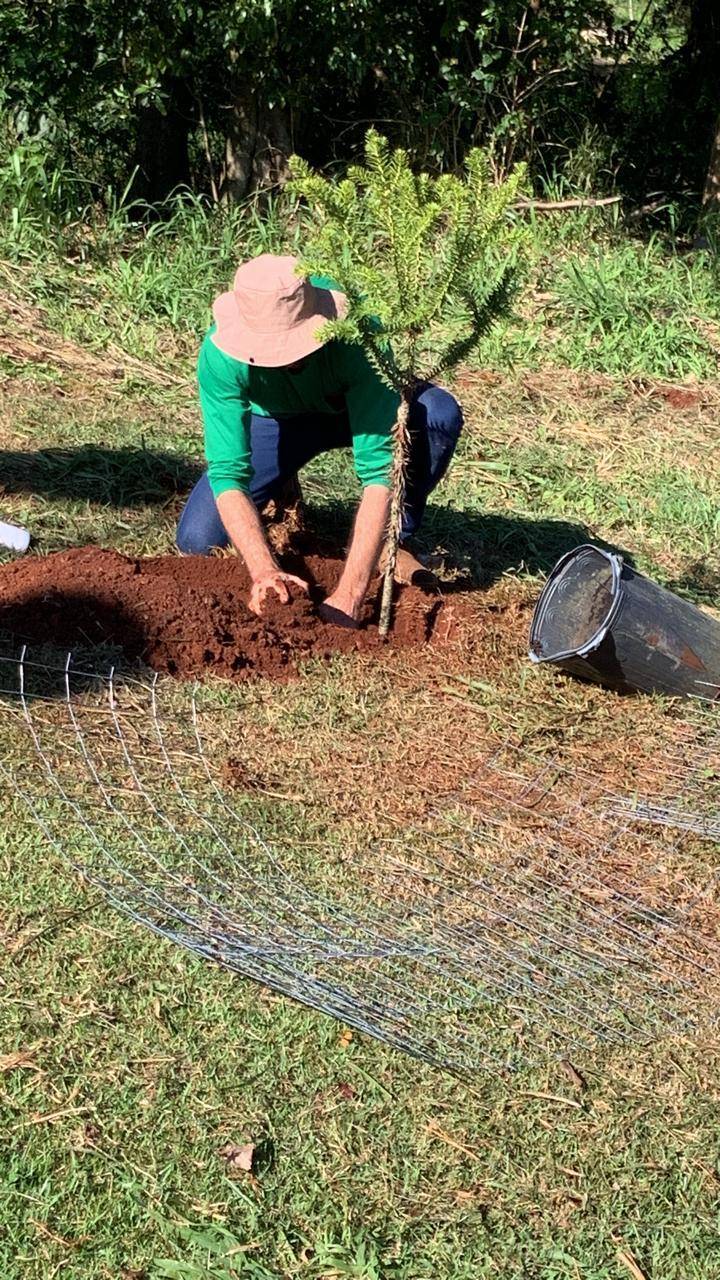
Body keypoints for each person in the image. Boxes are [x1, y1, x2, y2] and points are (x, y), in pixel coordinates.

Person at [177, 254, 463, 627]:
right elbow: (228, 473)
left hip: (350, 410)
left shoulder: (358, 337)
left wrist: (350, 595)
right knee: (198, 539)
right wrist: (264, 569)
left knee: (436, 414)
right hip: (274, 420)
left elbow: (381, 472)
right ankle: (281, 486)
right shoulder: (220, 355)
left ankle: (394, 540)